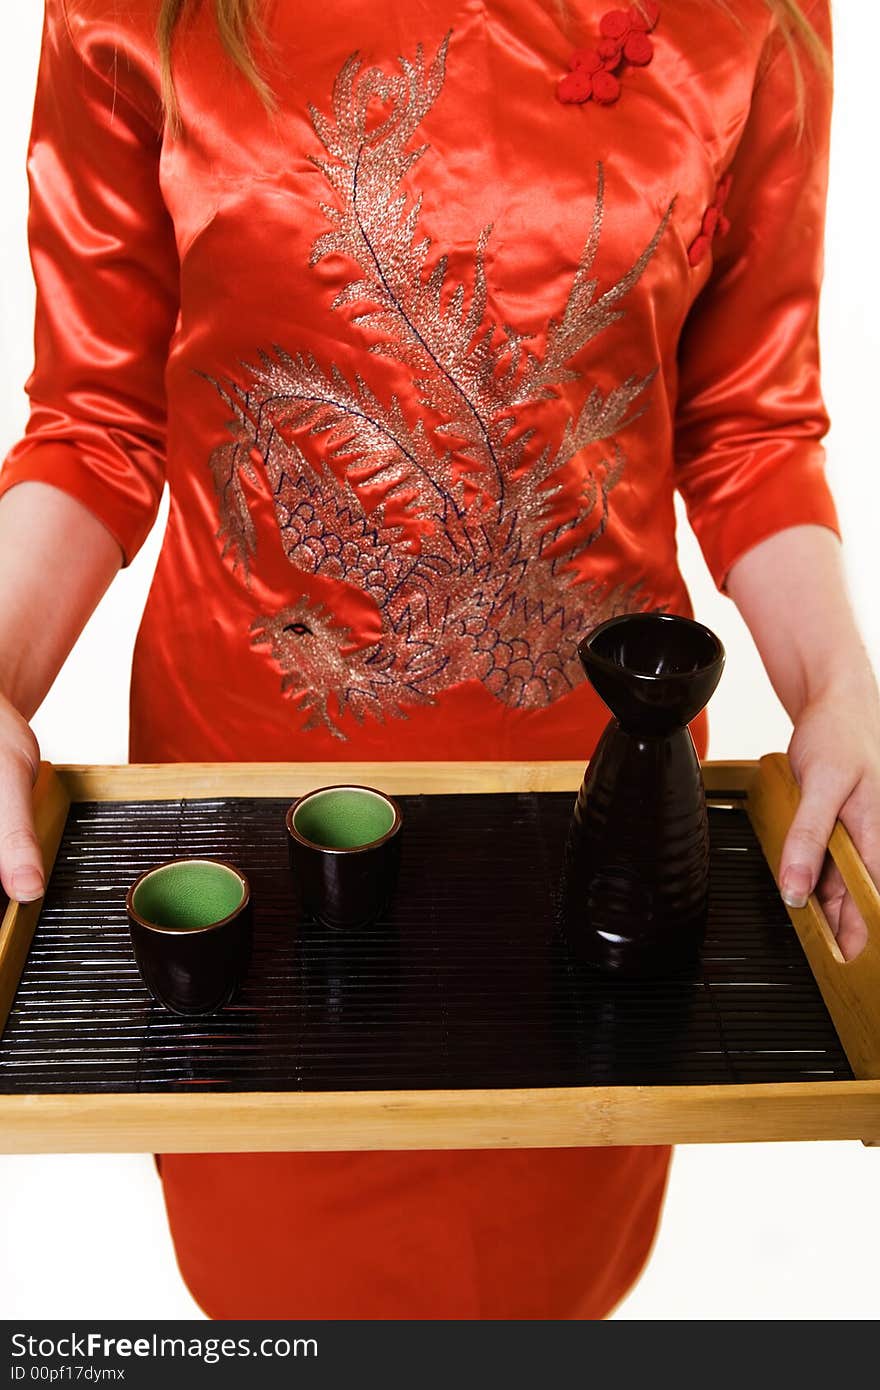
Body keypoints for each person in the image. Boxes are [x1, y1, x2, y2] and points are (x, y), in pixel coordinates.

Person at [0, 0, 877, 1320]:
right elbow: (100, 421)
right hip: (248, 838)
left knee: (547, 1280)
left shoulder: (755, 18)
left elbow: (747, 428)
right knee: (275, 1284)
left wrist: (836, 686)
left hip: (605, 825)